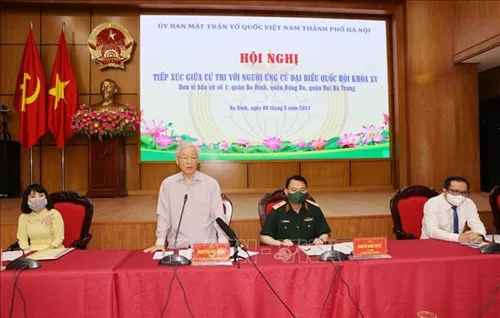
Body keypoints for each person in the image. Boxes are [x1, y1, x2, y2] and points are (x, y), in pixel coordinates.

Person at [144, 143, 228, 252]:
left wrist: (222, 243)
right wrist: (160, 242)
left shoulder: (211, 184)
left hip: (206, 248)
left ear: (197, 161)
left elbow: (218, 216)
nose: (189, 162)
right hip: (177, 247)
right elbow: (164, 215)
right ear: (177, 161)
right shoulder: (168, 184)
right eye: (185, 158)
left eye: (193, 157)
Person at [260, 175, 331, 246]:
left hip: (310, 250)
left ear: (306, 191)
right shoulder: (277, 211)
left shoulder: (314, 209)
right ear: (286, 191)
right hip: (286, 252)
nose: (298, 193)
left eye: (302, 190)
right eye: (294, 190)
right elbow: (264, 237)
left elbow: (324, 232)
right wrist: (280, 243)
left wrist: (321, 240)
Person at [421, 176, 486, 243]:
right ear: (445, 191)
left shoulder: (468, 203)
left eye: (463, 193)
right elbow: (432, 231)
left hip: (458, 243)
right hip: (431, 244)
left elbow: (476, 223)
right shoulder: (432, 204)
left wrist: (479, 235)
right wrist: (458, 238)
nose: (459, 196)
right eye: (455, 191)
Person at [17, 184, 65, 251]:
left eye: (41, 195)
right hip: (32, 252)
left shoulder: (54, 214)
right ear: (26, 200)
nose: (38, 199)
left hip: (54, 250)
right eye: (33, 196)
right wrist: (28, 251)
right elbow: (22, 241)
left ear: (46, 197)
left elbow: (59, 238)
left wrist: (47, 251)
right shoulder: (23, 217)